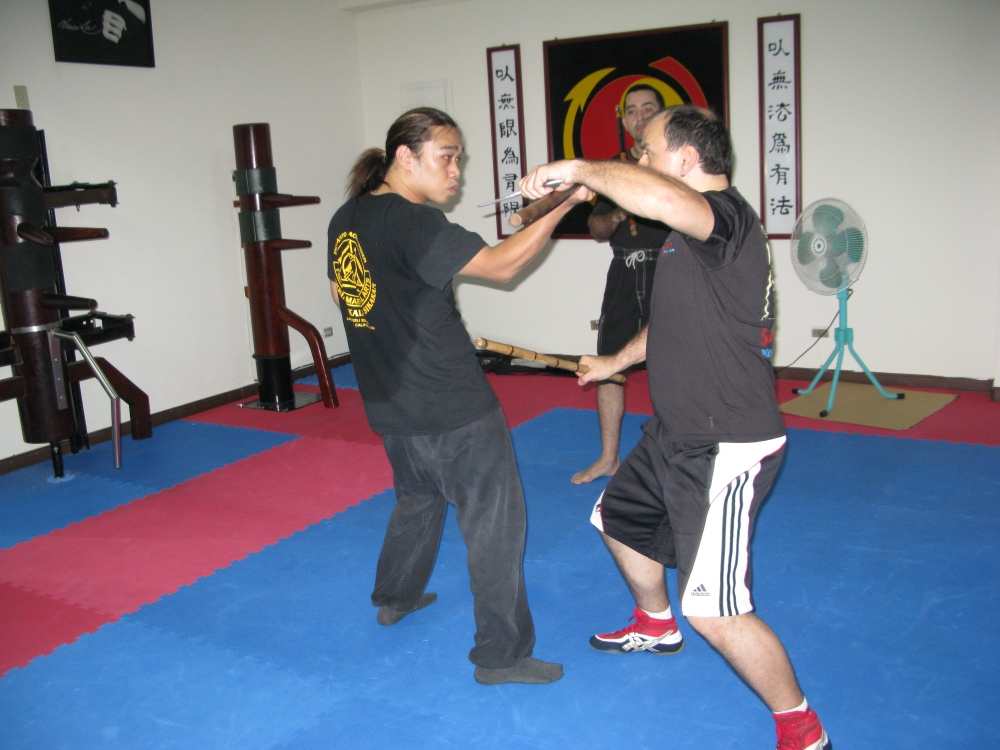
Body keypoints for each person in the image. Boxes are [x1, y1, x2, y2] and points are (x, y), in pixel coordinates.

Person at [519, 105, 832, 750]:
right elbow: (672, 321)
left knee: (715, 610)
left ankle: (803, 730)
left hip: (726, 443)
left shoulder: (725, 219)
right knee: (617, 519)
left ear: (687, 159)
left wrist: (577, 168)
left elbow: (658, 197)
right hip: (676, 430)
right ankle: (655, 623)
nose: (639, 158)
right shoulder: (686, 236)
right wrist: (614, 361)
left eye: (648, 149)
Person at [327, 107, 593, 686]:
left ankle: (395, 596)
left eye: (459, 159)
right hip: (452, 405)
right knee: (495, 527)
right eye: (446, 157)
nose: (457, 171)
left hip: (389, 400)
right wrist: (567, 204)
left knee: (418, 499)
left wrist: (405, 318)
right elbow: (501, 266)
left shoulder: (347, 217)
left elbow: (342, 291)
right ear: (405, 156)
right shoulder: (414, 221)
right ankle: (502, 656)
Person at [574, 84, 671, 485]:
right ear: (624, 119)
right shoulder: (612, 168)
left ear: (662, 113)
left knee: (672, 365)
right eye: (632, 110)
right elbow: (596, 228)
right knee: (608, 363)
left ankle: (674, 460)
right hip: (623, 272)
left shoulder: (676, 164)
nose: (640, 116)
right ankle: (608, 458)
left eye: (649, 108)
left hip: (668, 268)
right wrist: (617, 210)